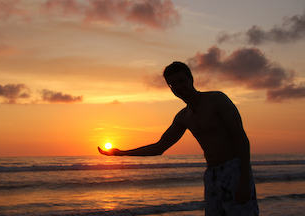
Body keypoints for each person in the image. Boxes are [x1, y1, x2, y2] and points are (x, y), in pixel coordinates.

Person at [98, 62, 259, 216]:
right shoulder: (183, 117)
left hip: (235, 169)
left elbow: (241, 138)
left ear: (191, 79)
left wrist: (244, 179)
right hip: (212, 175)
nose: (179, 87)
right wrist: (121, 153)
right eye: (173, 84)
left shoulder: (217, 100)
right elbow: (159, 147)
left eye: (182, 81)